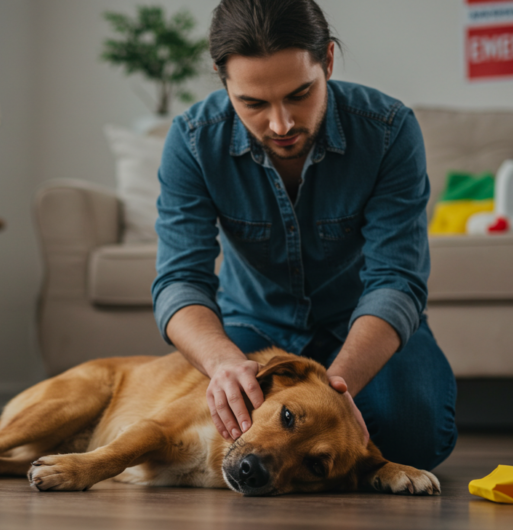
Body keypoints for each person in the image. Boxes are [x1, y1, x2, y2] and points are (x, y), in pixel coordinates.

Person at [152, 0, 457, 471]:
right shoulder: (193, 140)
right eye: (253, 103)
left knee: (416, 439)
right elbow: (179, 282)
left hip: (357, 323)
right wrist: (222, 363)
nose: (281, 124)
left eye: (300, 94)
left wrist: (332, 392)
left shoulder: (390, 130)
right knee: (199, 423)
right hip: (251, 325)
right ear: (223, 78)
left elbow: (397, 282)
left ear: (328, 61)